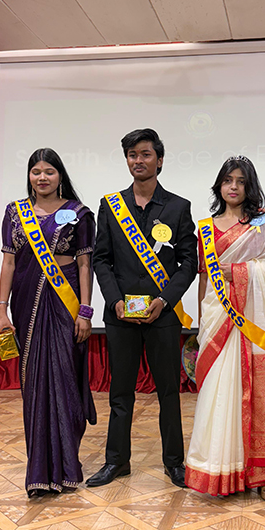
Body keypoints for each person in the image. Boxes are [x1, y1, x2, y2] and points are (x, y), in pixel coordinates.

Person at [185, 157, 265, 500]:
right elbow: (205, 279)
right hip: (219, 319)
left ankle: (264, 474)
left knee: (262, 395)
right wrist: (204, 320)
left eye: (240, 181)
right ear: (219, 186)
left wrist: (239, 273)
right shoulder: (206, 228)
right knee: (220, 395)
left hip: (257, 321)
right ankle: (221, 471)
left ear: (249, 186)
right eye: (228, 180)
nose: (234, 187)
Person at [87, 128, 197, 489]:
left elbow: (188, 263)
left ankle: (174, 463)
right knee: (120, 393)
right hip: (121, 315)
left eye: (146, 154)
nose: (139, 160)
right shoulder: (111, 205)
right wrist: (114, 300)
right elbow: (101, 259)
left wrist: (165, 300)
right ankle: (116, 461)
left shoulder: (178, 207)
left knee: (168, 392)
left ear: (159, 160)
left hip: (161, 314)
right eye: (133, 154)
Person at [0, 148, 97, 497]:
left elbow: (85, 265)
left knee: (65, 381)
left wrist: (85, 310)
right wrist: (1, 310)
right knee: (35, 386)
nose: (42, 178)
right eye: (36, 171)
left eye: (49, 171)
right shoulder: (15, 213)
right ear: (29, 176)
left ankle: (67, 466)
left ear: (60, 176)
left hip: (66, 301)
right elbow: (9, 263)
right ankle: (38, 471)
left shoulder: (79, 214)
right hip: (26, 304)